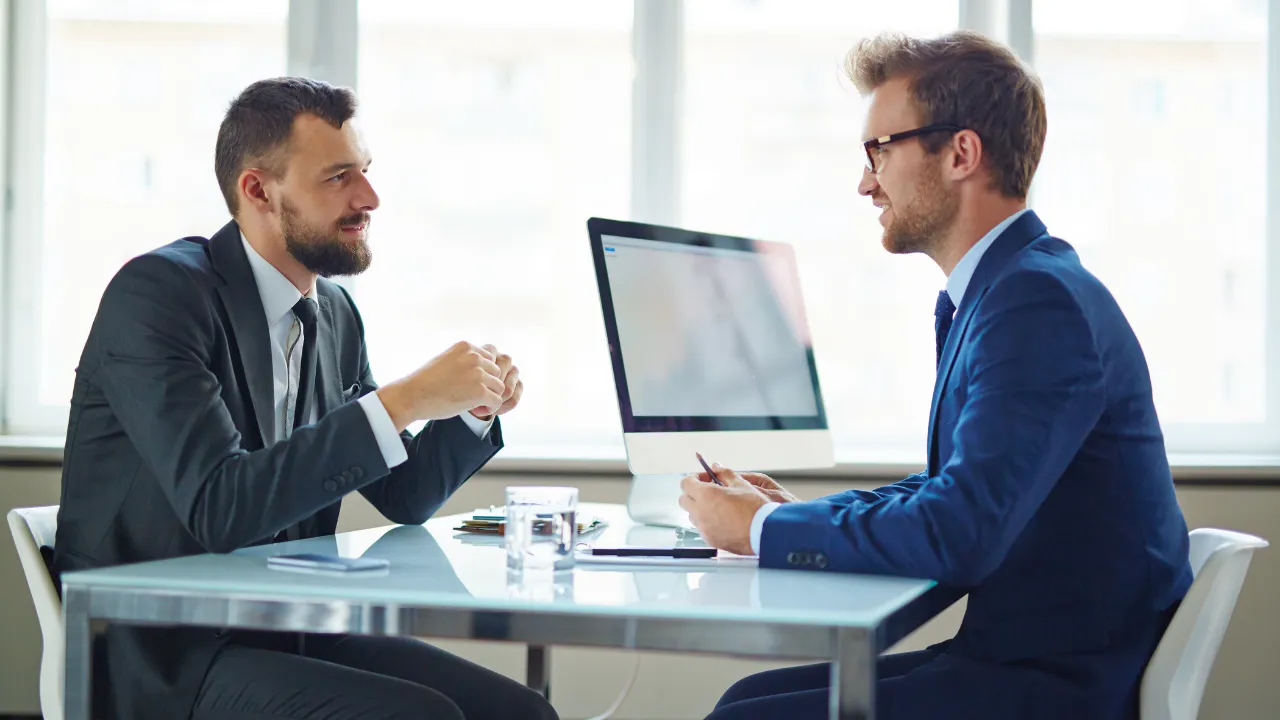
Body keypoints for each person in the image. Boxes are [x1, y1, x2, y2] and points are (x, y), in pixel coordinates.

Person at [678, 31, 1193, 720]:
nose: (866, 182)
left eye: (880, 151)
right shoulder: (1007, 289)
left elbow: (960, 532)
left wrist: (763, 530)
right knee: (747, 699)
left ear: (960, 154)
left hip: (1062, 685)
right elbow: (951, 489)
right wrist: (788, 515)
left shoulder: (1035, 302)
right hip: (1031, 658)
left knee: (745, 717)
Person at [53, 77, 557, 720]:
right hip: (164, 654)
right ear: (258, 190)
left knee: (520, 713)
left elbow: (405, 496)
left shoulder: (335, 314)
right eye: (338, 177)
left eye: (365, 171)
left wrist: (469, 411)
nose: (369, 197)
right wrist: (403, 399)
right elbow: (219, 507)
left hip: (286, 628)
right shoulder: (159, 295)